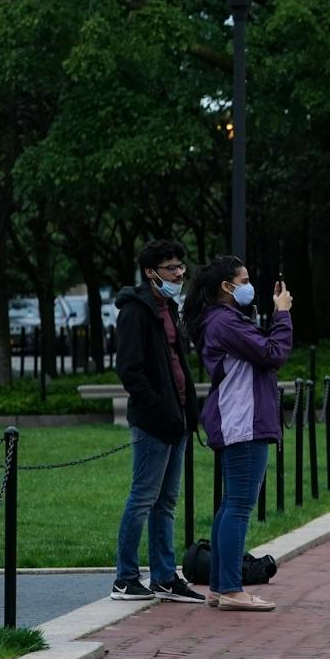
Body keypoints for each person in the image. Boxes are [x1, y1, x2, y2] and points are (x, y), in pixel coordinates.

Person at [183, 256, 292, 611]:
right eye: (243, 280)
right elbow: (273, 354)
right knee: (239, 506)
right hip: (243, 422)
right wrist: (283, 314)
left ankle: (219, 585)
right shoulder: (225, 322)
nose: (249, 285)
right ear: (226, 287)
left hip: (238, 420)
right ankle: (230, 589)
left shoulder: (222, 320)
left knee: (231, 504)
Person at [111, 239, 205, 603]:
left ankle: (164, 577)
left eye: (181, 267)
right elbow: (130, 371)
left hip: (176, 419)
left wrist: (186, 413)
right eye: (171, 268)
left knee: (166, 502)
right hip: (155, 423)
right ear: (151, 273)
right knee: (143, 498)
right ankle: (126, 578)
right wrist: (159, 411)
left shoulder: (168, 307)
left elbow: (177, 363)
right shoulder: (136, 312)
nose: (179, 273)